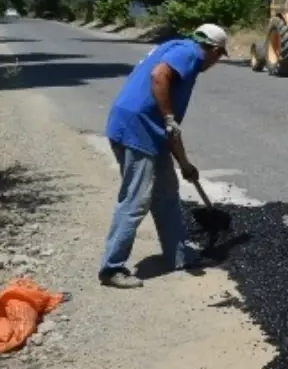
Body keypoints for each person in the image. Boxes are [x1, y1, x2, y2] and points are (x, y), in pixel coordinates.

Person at [97, 24, 229, 289]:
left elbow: (171, 128)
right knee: (136, 199)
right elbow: (159, 76)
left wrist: (184, 163)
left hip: (141, 127)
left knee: (167, 193)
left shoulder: (174, 47)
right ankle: (111, 268)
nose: (215, 63)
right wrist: (168, 118)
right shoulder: (190, 54)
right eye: (219, 56)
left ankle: (178, 256)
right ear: (214, 50)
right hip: (138, 129)